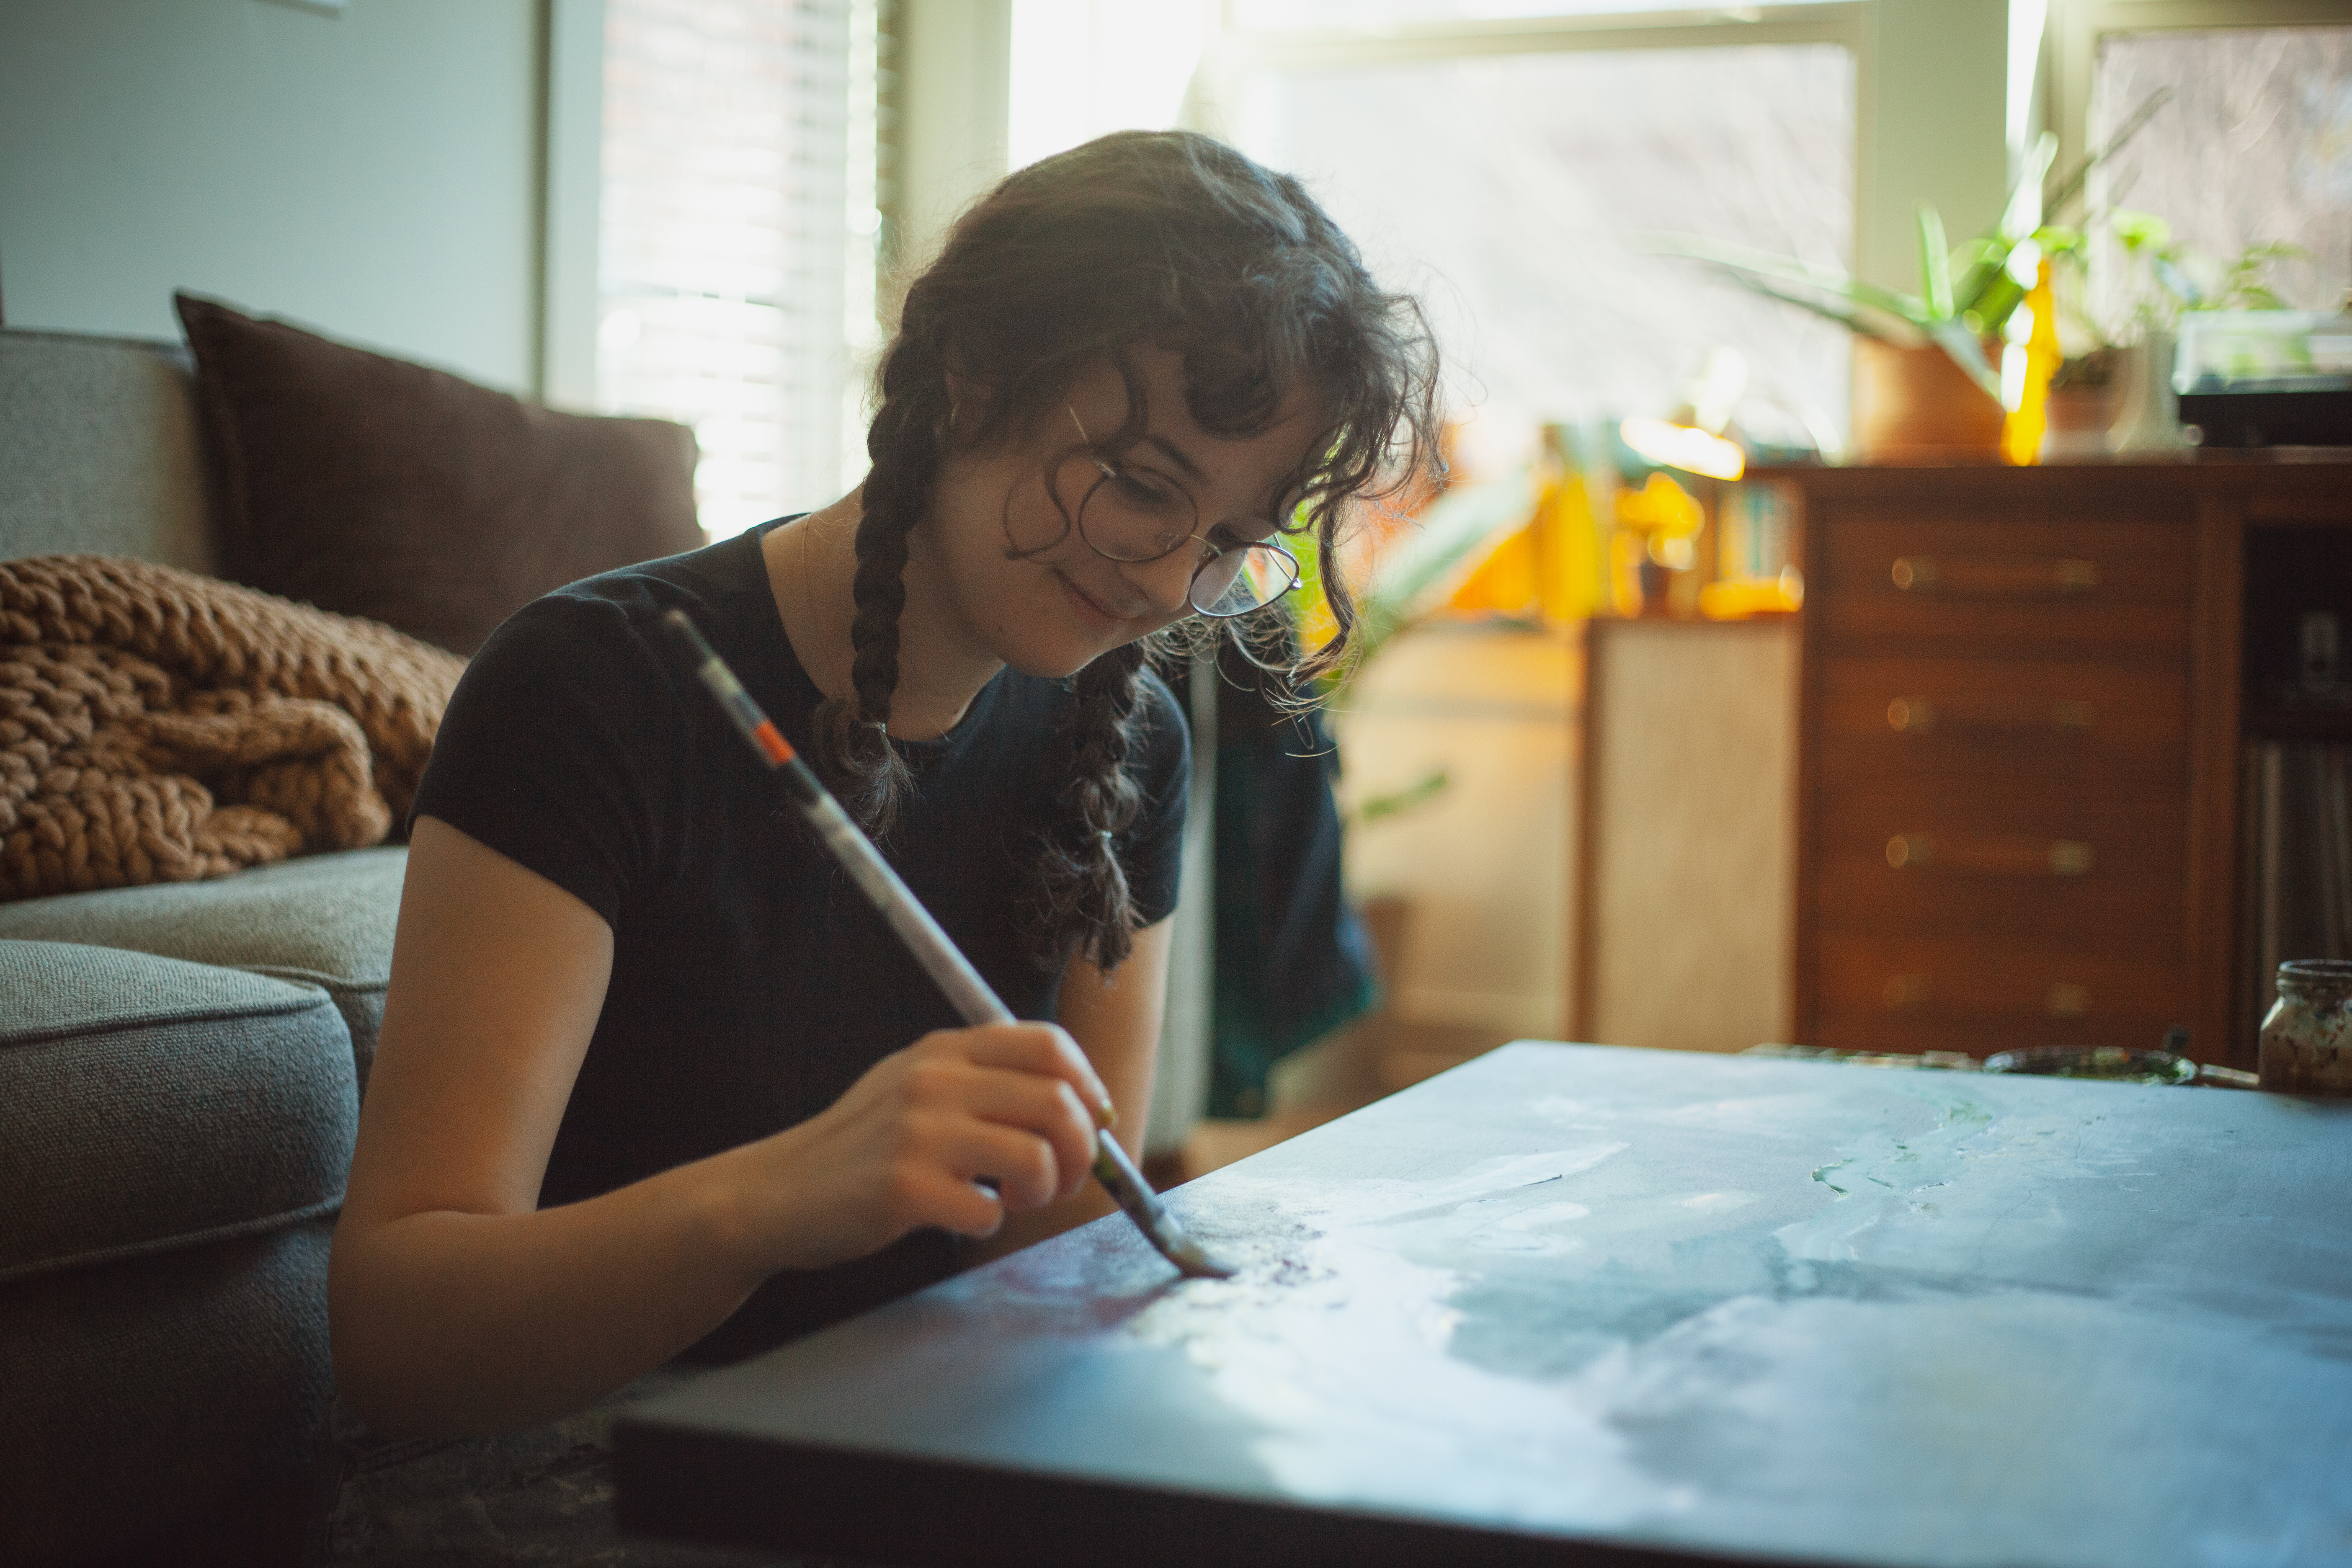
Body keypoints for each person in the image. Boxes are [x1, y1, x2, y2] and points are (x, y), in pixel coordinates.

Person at [323, 129, 1438, 1560]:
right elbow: (398, 1342)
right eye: (1142, 486)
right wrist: (772, 1202)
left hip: (899, 1445)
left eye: (1228, 538)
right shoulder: (592, 687)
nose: (1169, 582)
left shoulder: (1135, 745)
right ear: (976, 376)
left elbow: (1040, 1279)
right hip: (555, 1462)